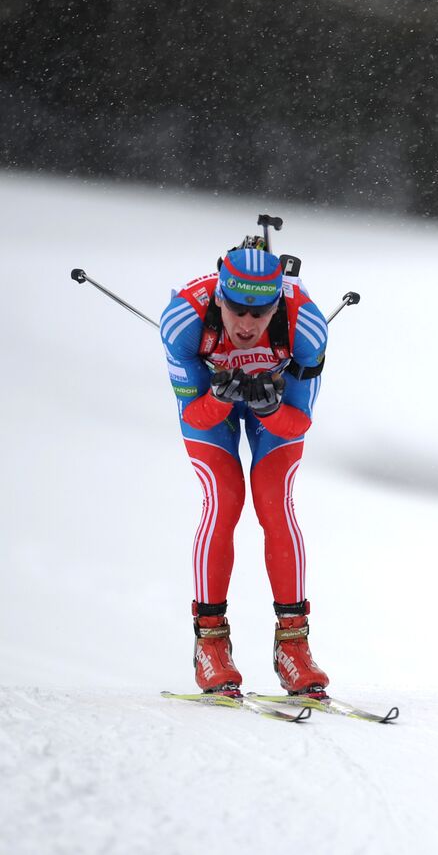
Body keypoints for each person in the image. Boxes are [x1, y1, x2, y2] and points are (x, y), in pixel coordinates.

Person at [159, 241, 331, 695]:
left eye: (261, 313)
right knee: (224, 501)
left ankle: (293, 646)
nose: (248, 325)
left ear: (278, 304)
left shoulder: (305, 327)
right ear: (219, 296)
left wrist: (271, 408)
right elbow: (193, 415)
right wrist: (218, 396)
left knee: (275, 504)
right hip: (209, 404)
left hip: (273, 403)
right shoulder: (183, 323)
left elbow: (300, 421)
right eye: (237, 310)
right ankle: (210, 644)